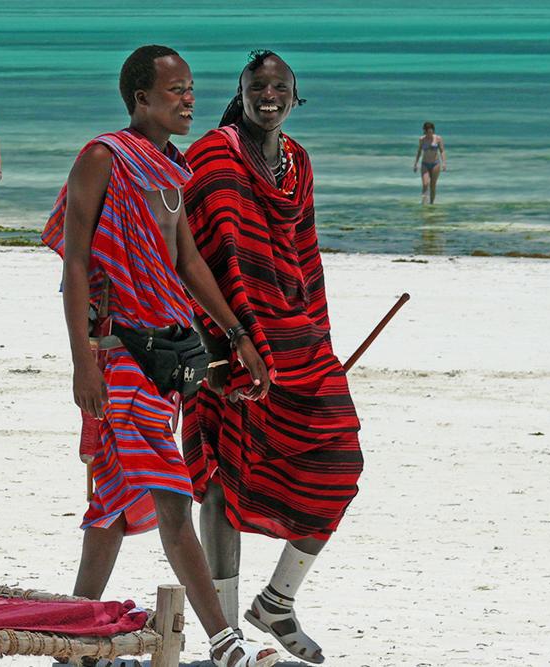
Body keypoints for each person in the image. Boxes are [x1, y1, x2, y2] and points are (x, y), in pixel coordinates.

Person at [41, 45, 279, 667]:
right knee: (174, 497)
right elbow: (75, 264)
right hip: (117, 355)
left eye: (192, 89)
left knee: (113, 506)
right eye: (176, 91)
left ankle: (74, 636)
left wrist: (238, 334)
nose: (189, 100)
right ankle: (224, 640)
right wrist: (82, 362)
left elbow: (188, 261)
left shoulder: (173, 168)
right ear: (141, 98)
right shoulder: (102, 158)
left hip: (165, 355)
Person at [181, 50, 364, 665]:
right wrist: (222, 342)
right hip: (223, 339)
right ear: (240, 93)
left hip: (296, 341)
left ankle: (277, 603)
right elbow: (191, 255)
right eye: (257, 85)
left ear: (294, 95)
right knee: (221, 479)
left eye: (279, 86)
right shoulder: (213, 154)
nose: (269, 95)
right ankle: (225, 633)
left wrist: (320, 338)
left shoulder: (298, 162)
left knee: (339, 461)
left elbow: (304, 251)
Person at [413, 121, 446, 205]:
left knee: (432, 185)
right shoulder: (422, 139)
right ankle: (424, 202)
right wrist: (415, 163)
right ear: (425, 131)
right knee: (425, 184)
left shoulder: (438, 138)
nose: (429, 134)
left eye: (431, 132)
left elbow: (442, 151)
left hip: (435, 164)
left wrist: (444, 163)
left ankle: (431, 204)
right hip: (425, 164)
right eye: (428, 132)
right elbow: (419, 151)